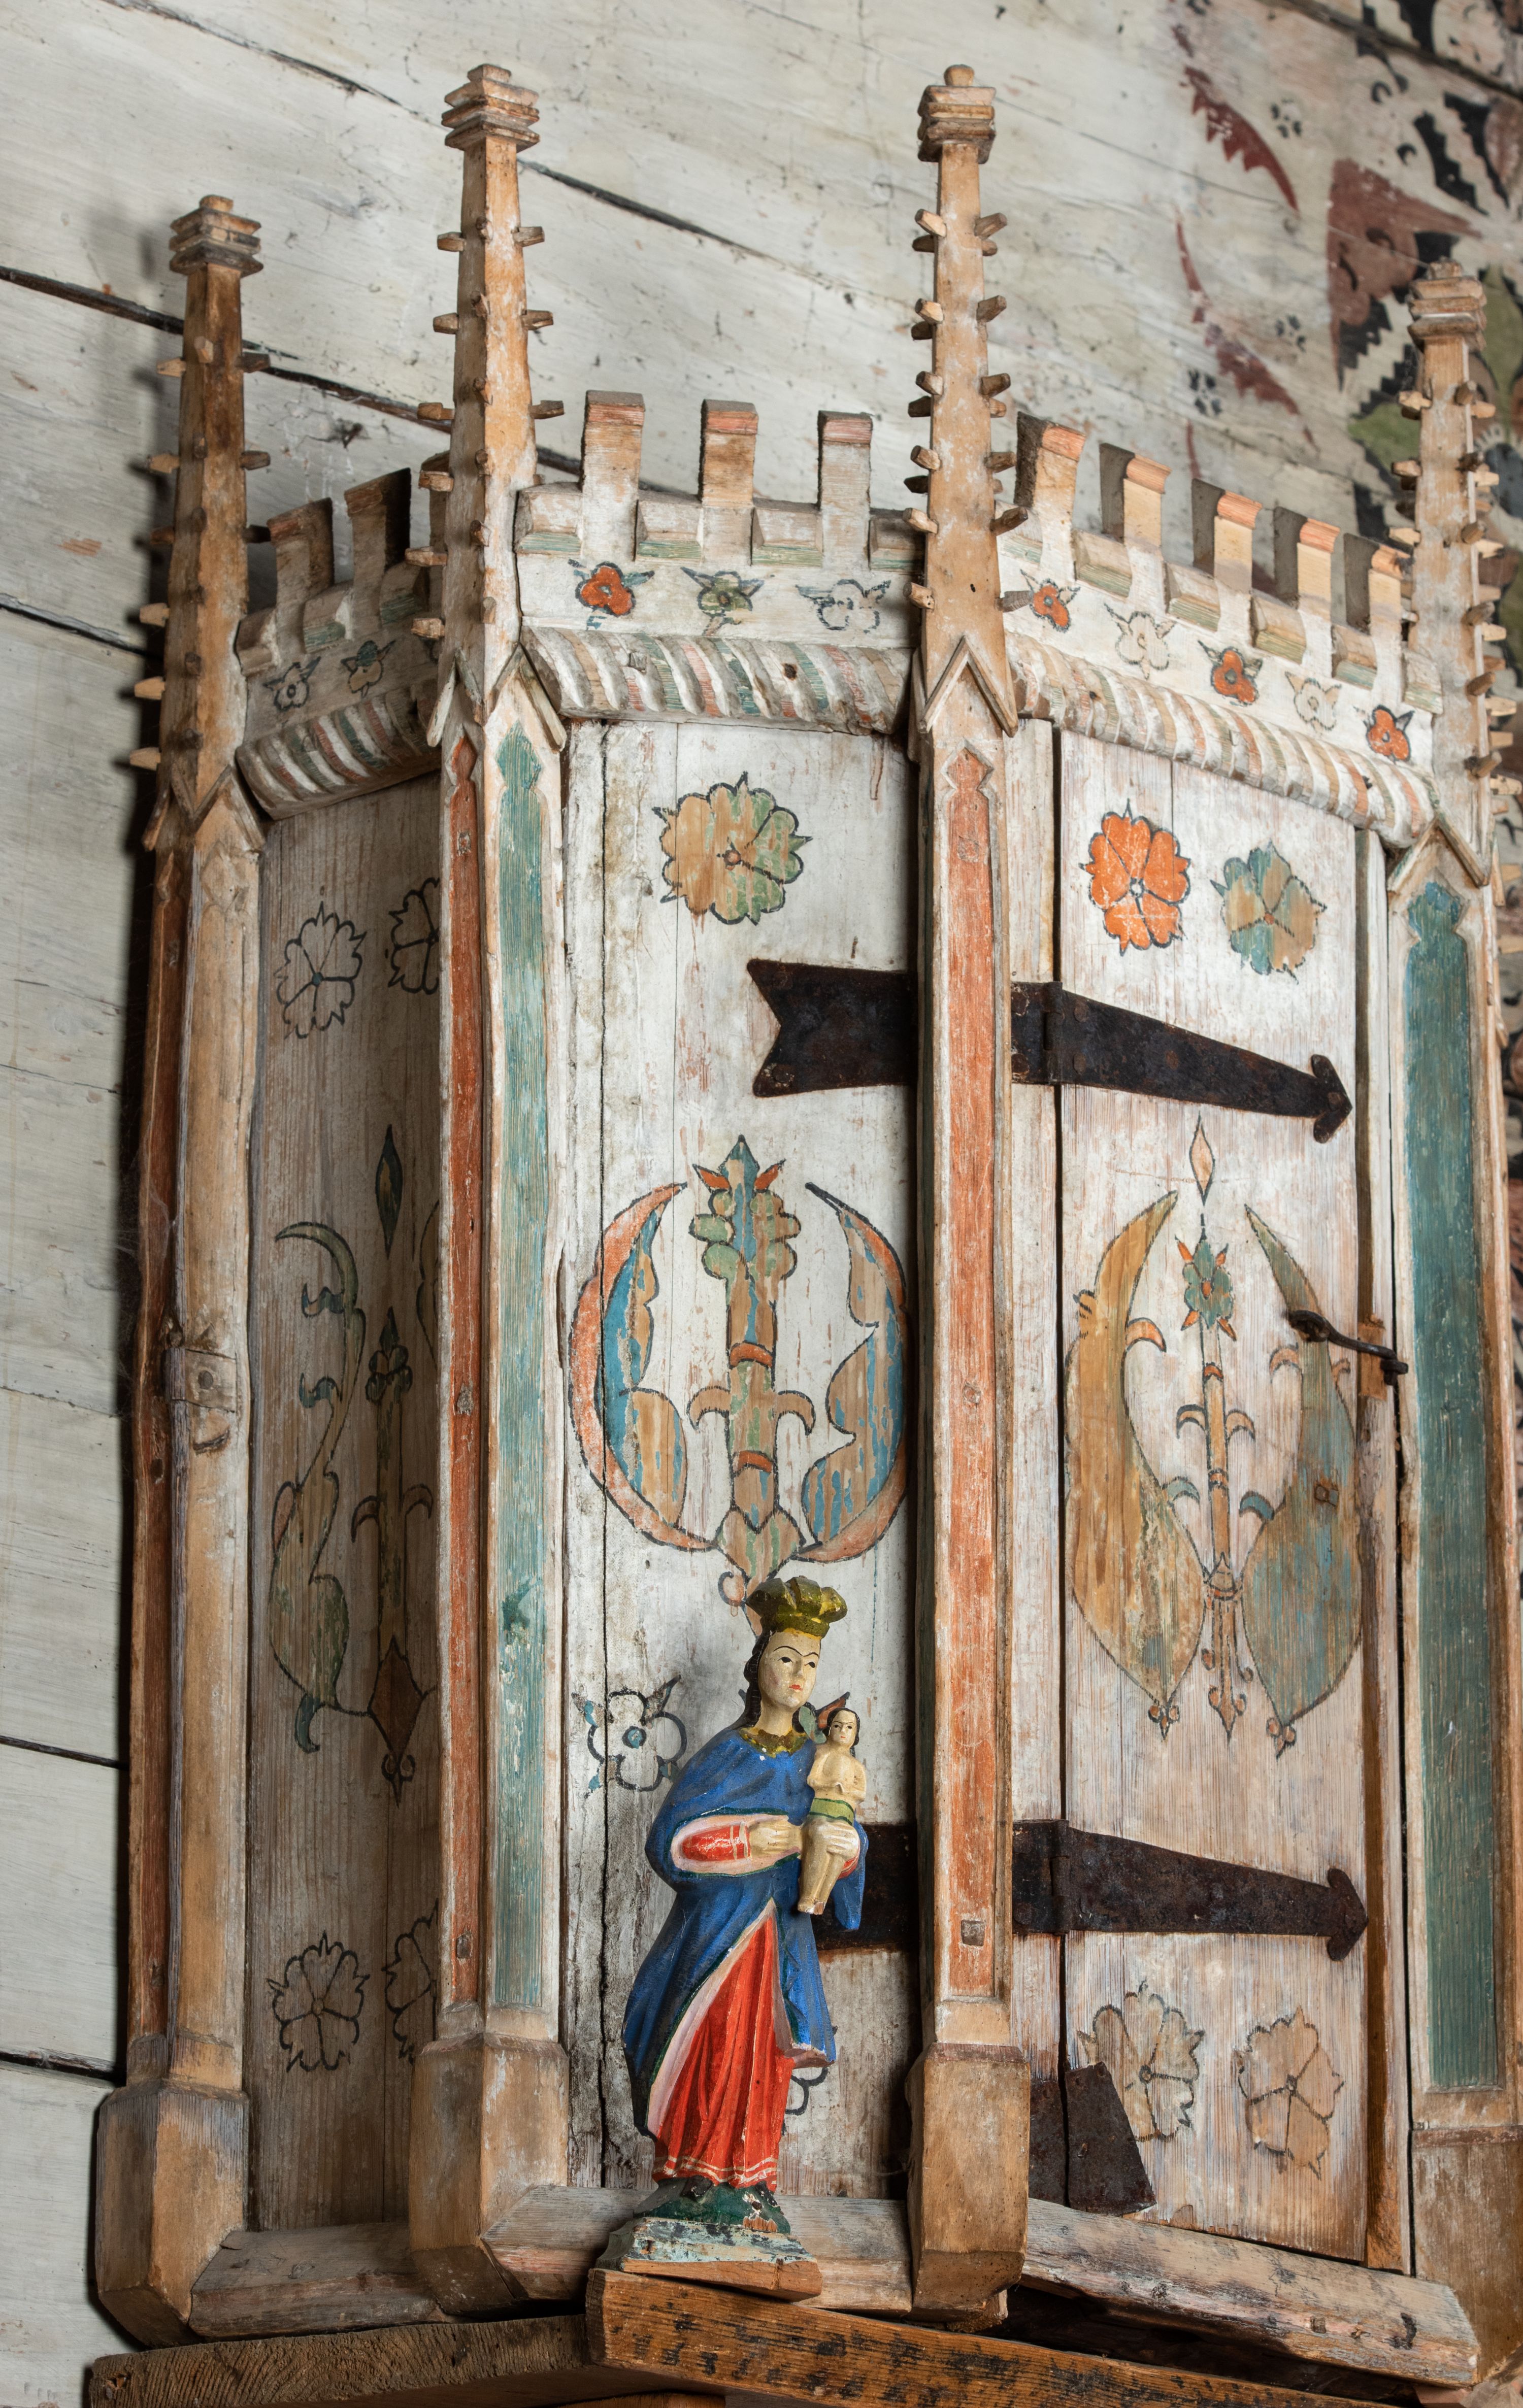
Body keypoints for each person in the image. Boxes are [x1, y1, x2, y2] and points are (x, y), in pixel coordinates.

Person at [621, 1575, 867, 2223]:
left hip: (779, 1941)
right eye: (786, 1657)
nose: (799, 1675)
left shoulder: (819, 1763)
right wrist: (750, 1839)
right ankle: (693, 2177)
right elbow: (670, 1843)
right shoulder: (727, 1754)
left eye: (811, 1662)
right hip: (719, 1940)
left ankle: (752, 2181)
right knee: (709, 2048)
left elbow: (842, 1835)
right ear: (759, 1665)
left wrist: (846, 1848)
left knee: (765, 2057)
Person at [797, 1704, 866, 1915]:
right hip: (821, 1812)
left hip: (843, 1816)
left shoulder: (856, 1765)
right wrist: (831, 1785)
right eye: (837, 1726)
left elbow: (861, 1793)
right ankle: (808, 1894)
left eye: (849, 1728)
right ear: (829, 1729)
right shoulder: (822, 1753)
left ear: (855, 1735)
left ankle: (822, 1898)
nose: (843, 1731)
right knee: (820, 1834)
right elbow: (812, 1779)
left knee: (844, 1845)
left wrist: (847, 1791)